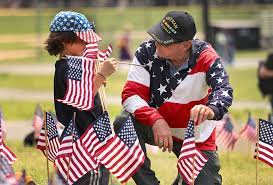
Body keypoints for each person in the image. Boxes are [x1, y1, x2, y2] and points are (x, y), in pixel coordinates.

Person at [113, 11, 233, 185]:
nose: (157, 43)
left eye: (164, 41)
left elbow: (224, 90)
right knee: (123, 121)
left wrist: (210, 109)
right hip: (155, 127)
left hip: (195, 136)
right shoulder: (146, 51)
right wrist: (155, 120)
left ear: (185, 45)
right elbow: (131, 95)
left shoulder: (207, 57)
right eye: (157, 36)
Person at [45, 11, 117, 185]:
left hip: (87, 134)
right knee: (92, 177)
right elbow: (82, 99)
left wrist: (96, 81)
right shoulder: (67, 67)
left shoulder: (70, 64)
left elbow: (83, 89)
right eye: (82, 39)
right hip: (84, 139)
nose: (87, 42)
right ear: (64, 41)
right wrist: (101, 75)